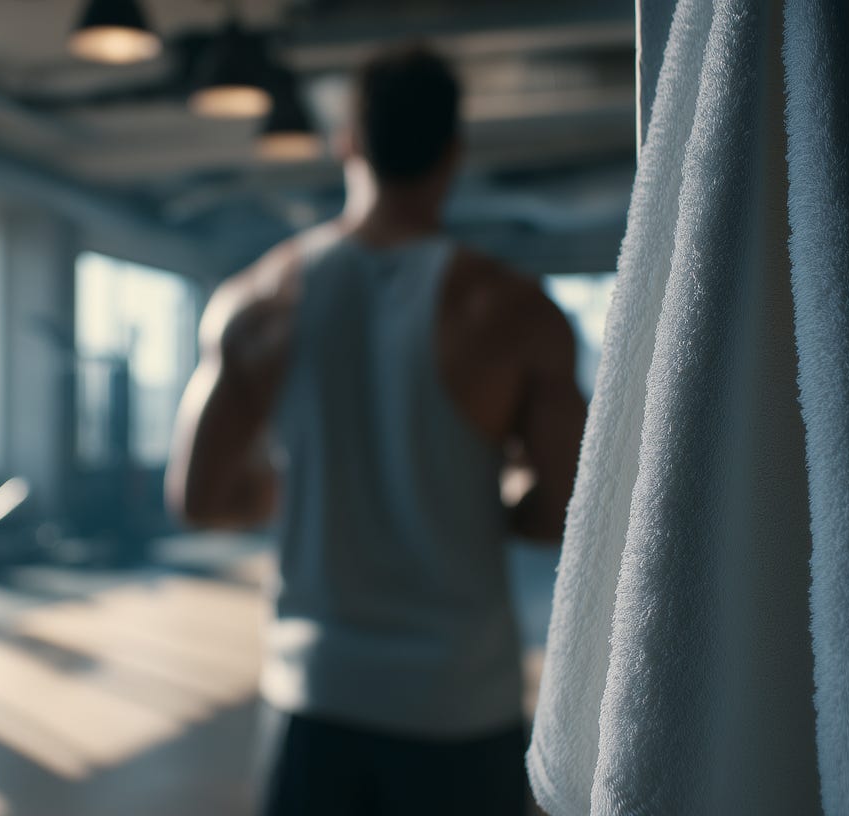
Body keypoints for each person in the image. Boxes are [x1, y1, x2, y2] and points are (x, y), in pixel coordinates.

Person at [164, 43, 588, 815]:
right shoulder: (516, 312)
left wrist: (309, 492)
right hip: (459, 704)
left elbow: (201, 498)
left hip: (316, 694)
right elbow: (563, 512)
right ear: (453, 154)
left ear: (346, 141)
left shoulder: (254, 303)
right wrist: (464, 501)